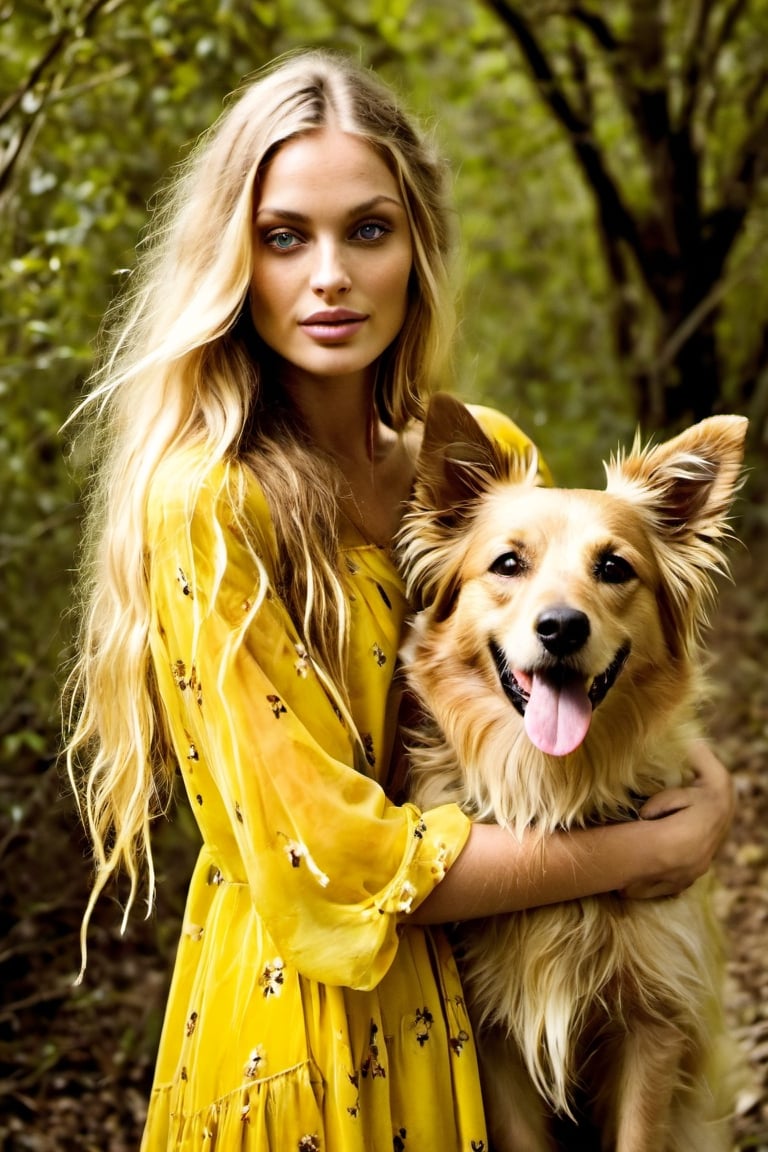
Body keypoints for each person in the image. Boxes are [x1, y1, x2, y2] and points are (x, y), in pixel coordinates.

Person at [64, 49, 734, 1151]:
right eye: (286, 236)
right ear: (236, 258)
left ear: (416, 246)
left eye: (367, 230)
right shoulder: (210, 507)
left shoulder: (484, 461)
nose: (330, 275)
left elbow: (576, 668)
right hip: (315, 1023)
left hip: (484, 993)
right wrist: (646, 853)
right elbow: (327, 857)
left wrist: (703, 791)